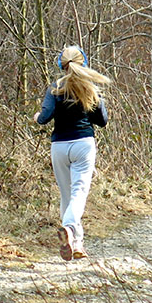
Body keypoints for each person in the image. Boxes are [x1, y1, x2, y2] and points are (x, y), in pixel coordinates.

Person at [33, 45, 110, 261]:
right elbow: (102, 121)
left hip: (59, 147)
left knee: (67, 195)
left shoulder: (55, 88)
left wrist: (37, 116)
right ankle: (69, 229)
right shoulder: (89, 87)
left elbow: (44, 117)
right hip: (83, 145)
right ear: (82, 62)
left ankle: (77, 244)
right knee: (79, 192)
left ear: (61, 64)